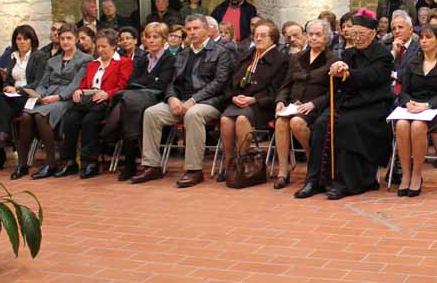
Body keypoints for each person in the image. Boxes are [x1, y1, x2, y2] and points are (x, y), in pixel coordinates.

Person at [296, 9, 394, 200]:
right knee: (322, 123)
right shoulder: (349, 53)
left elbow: (371, 76)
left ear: (373, 33)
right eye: (354, 34)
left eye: (361, 34)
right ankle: (314, 180)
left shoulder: (383, 55)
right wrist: (336, 71)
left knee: (345, 125)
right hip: (348, 103)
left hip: (373, 105)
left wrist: (347, 73)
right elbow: (340, 82)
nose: (357, 38)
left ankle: (347, 182)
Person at [132, 14, 233, 186]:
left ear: (207, 29)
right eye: (189, 29)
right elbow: (173, 81)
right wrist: (172, 98)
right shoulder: (183, 53)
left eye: (196, 28)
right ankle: (151, 166)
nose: (192, 32)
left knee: (193, 114)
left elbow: (219, 83)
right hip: (182, 100)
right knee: (152, 113)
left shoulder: (221, 52)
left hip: (210, 102)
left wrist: (193, 100)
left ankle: (194, 170)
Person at [11, 25, 91, 180]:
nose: (65, 42)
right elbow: (43, 83)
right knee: (26, 115)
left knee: (40, 115)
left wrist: (58, 97)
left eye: (69, 38)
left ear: (76, 40)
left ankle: (50, 162)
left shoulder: (85, 59)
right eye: (62, 38)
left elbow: (76, 84)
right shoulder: (52, 60)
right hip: (47, 96)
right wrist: (39, 94)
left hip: (67, 98)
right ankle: (22, 164)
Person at [53, 28, 133, 179]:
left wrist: (107, 94)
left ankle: (90, 162)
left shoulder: (123, 62)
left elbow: (123, 86)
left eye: (104, 46)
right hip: (89, 100)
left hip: (107, 102)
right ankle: (69, 161)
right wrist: (79, 91)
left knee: (89, 120)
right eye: (98, 46)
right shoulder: (92, 64)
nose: (100, 50)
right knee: (70, 118)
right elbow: (84, 84)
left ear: (114, 46)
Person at [102, 22, 177, 181]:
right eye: (148, 37)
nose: (151, 40)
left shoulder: (170, 59)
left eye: (155, 37)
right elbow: (131, 81)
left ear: (164, 40)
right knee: (128, 105)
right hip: (136, 97)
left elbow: (162, 84)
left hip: (157, 97)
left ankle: (111, 139)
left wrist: (144, 81)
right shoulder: (143, 59)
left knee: (126, 102)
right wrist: (149, 80)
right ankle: (128, 159)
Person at [393, 24, 437, 196]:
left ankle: (417, 174)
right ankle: (405, 174)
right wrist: (408, 103)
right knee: (401, 125)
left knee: (417, 126)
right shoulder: (412, 63)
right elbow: (404, 91)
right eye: (421, 37)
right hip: (413, 106)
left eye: (428, 37)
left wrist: (427, 105)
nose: (423, 41)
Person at [219, 20, 287, 181]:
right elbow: (231, 81)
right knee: (225, 120)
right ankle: (229, 164)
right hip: (239, 101)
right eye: (256, 35)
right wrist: (233, 96)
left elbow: (277, 89)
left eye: (263, 35)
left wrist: (254, 99)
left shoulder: (281, 60)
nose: (258, 38)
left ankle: (242, 164)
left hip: (262, 105)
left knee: (242, 119)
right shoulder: (246, 56)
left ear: (273, 38)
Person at [273, 19, 336, 189]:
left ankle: (313, 163)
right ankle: (283, 172)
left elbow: (333, 91)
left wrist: (313, 104)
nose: (313, 38)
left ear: (326, 37)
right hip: (294, 104)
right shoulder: (297, 57)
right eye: (311, 34)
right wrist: (280, 101)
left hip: (316, 107)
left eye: (318, 34)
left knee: (296, 122)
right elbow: (286, 85)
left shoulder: (333, 59)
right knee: (280, 122)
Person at [0, 25, 47, 171]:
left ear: (32, 40)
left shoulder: (39, 56)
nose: (22, 42)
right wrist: (7, 87)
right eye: (19, 39)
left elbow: (39, 81)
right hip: (12, 96)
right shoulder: (13, 57)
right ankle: (3, 135)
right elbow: (7, 80)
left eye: (26, 39)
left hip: (29, 95)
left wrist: (18, 89)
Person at [389, 10, 419, 94]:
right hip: (388, 93)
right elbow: (381, 71)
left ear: (411, 29)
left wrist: (394, 75)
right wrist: (394, 53)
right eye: (394, 29)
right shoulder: (388, 49)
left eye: (400, 27)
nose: (397, 31)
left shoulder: (419, 48)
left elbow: (413, 72)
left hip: (410, 93)